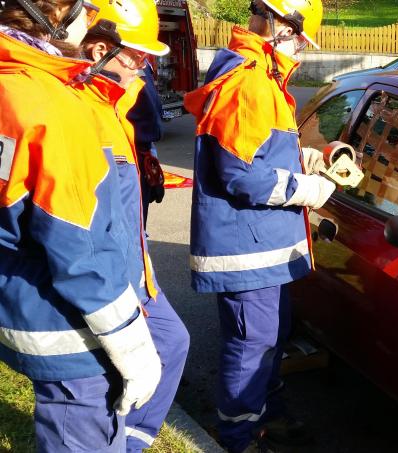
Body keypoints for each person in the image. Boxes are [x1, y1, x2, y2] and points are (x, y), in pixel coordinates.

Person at [0, 0, 162, 451]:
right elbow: (81, 247)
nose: (90, 21)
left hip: (24, 299)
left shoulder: (10, 84)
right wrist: (132, 348)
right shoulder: (50, 103)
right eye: (84, 10)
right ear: (56, 16)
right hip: (69, 328)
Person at [184, 0, 330, 451]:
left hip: (264, 246)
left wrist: (302, 159)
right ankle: (236, 435)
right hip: (246, 248)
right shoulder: (249, 80)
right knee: (252, 346)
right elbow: (239, 174)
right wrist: (305, 190)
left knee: (271, 338)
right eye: (299, 41)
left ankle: (268, 414)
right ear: (282, 27)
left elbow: (258, 152)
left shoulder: (263, 77)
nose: (299, 52)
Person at [79, 0, 191, 450]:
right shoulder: (80, 113)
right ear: (98, 52)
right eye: (136, 57)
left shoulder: (109, 104)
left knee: (172, 342)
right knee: (93, 394)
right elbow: (77, 229)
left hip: (132, 271)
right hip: (107, 283)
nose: (145, 69)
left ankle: (133, 441)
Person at [127, 59, 165, 227]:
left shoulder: (140, 63)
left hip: (142, 147)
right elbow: (151, 109)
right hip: (132, 148)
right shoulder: (128, 61)